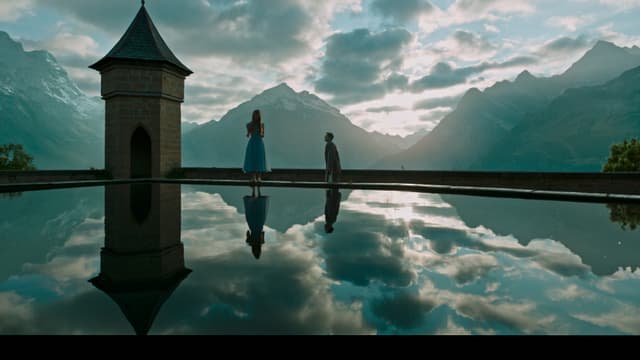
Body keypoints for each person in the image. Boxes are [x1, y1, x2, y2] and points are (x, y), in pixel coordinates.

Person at [243, 109, 271, 183]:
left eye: (257, 115)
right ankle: (253, 177)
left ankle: (259, 177)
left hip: (259, 143)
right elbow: (247, 135)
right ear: (253, 115)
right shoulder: (249, 124)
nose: (256, 116)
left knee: (259, 159)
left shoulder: (261, 125)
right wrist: (249, 131)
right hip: (252, 142)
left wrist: (260, 132)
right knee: (252, 159)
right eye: (255, 114)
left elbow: (263, 135)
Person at [243, 190, 269, 259]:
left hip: (259, 226)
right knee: (252, 211)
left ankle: (258, 191)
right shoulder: (250, 243)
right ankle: (254, 192)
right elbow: (247, 233)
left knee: (259, 211)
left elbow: (262, 233)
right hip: (252, 226)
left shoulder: (261, 242)